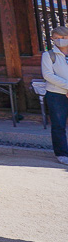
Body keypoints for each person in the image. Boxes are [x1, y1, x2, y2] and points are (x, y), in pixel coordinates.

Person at [42, 26, 68, 165]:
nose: (60, 41)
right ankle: (62, 153)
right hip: (56, 94)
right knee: (59, 124)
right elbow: (48, 75)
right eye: (56, 38)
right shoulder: (49, 55)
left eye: (63, 38)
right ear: (52, 39)